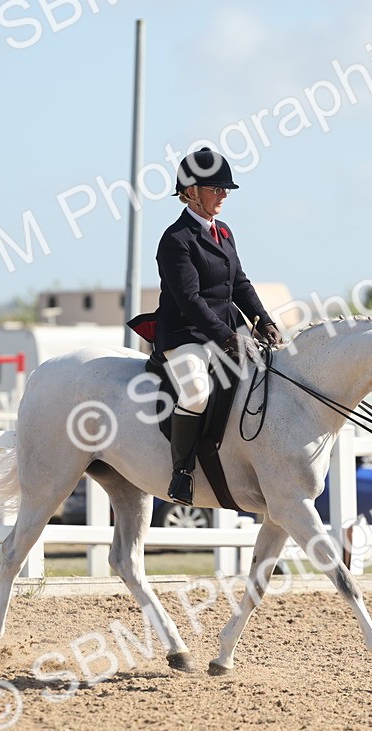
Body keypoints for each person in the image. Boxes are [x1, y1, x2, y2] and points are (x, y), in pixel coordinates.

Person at [154, 147, 283, 506]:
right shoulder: (175, 239)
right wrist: (227, 337)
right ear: (191, 192)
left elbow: (239, 283)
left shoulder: (223, 232)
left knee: (271, 376)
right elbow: (190, 300)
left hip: (228, 329)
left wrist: (264, 322)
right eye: (216, 188)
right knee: (195, 391)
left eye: (226, 189)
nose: (224, 194)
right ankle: (181, 472)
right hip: (186, 335)